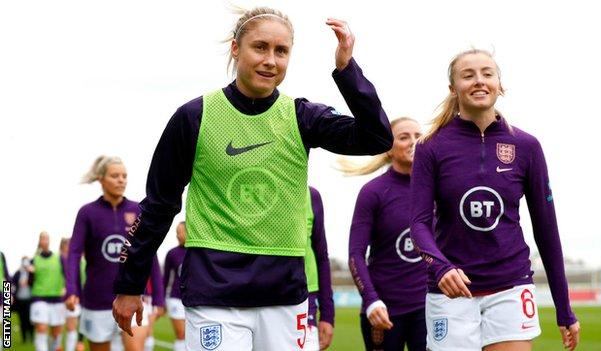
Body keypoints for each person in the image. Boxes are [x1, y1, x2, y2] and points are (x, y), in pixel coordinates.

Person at [112, 6, 392, 350]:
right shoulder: (194, 117)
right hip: (213, 290)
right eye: (260, 47)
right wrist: (130, 283)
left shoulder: (301, 116)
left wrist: (347, 69)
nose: (271, 60)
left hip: (285, 293)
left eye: (281, 51)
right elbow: (158, 205)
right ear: (235, 48)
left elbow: (377, 138)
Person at [410, 49, 580, 351]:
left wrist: (564, 308)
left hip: (511, 287)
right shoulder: (430, 146)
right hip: (451, 293)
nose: (479, 81)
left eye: (487, 74)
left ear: (499, 84)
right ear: (453, 89)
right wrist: (441, 267)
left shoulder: (527, 146)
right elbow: (419, 224)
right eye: (468, 75)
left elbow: (547, 231)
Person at [343, 117, 427, 351]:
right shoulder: (373, 193)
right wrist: (371, 301)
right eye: (403, 137)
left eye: (418, 136)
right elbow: (356, 254)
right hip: (384, 311)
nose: (413, 142)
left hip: (430, 308)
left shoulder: (436, 188)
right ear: (388, 148)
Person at [65, 156, 151, 351]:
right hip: (97, 300)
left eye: (124, 176)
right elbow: (74, 253)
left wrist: (159, 297)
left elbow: (149, 254)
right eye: (115, 176)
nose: (121, 180)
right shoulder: (87, 213)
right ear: (101, 179)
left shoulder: (138, 210)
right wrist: (72, 290)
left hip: (132, 295)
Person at [303, 187, 334, 351]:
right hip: (251, 296)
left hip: (305, 298)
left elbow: (321, 256)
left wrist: (328, 315)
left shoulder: (311, 196)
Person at [30, 231, 65, 351]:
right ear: (39, 241)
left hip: (57, 299)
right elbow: (30, 282)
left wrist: (66, 288)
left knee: (56, 334)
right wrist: (30, 273)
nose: (44, 240)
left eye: (46, 238)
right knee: (41, 329)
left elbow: (67, 275)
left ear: (49, 240)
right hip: (39, 298)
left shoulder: (58, 258)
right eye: (42, 238)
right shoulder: (34, 260)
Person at [162, 222, 187, 351]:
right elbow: (165, 278)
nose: (178, 235)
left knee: (191, 336)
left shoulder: (198, 253)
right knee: (182, 334)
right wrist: (161, 301)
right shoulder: (172, 253)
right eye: (177, 232)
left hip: (193, 301)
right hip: (175, 299)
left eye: (180, 231)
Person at [60, 238, 86, 351]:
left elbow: (80, 279)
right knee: (58, 328)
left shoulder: (79, 261)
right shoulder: (60, 260)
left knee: (73, 327)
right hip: (61, 297)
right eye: (67, 246)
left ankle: (77, 344)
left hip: (76, 297)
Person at [12, 256, 35, 344]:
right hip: (20, 300)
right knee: (22, 320)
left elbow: (34, 282)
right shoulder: (17, 273)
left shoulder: (31, 273)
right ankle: (24, 338)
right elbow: (12, 283)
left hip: (29, 300)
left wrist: (28, 281)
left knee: (30, 320)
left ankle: (32, 337)